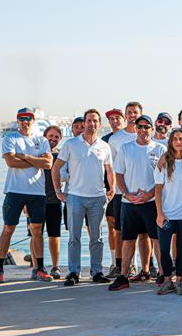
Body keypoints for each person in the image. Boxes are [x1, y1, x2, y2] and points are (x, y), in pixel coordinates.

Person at [52, 109, 114, 285]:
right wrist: (58, 191)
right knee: (74, 237)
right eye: (89, 120)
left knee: (97, 238)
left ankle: (97, 272)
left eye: (95, 121)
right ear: (84, 123)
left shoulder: (104, 146)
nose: (92, 124)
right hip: (75, 197)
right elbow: (56, 168)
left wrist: (112, 190)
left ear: (99, 124)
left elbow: (110, 170)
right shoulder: (71, 144)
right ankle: (73, 272)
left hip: (98, 198)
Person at [0, 107, 54, 284]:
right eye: (22, 118)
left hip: (36, 192)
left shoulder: (41, 140)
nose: (25, 121)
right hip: (15, 191)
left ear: (33, 121)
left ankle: (39, 268)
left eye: (28, 118)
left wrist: (25, 156)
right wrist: (36, 162)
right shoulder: (10, 138)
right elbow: (11, 162)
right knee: (8, 229)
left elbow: (48, 164)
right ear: (18, 120)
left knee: (37, 230)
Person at [109, 114, 166, 291]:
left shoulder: (160, 149)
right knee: (128, 240)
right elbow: (118, 174)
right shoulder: (126, 148)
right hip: (130, 202)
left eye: (146, 127)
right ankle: (123, 276)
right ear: (135, 128)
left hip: (152, 202)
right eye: (139, 126)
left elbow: (165, 177)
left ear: (152, 128)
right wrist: (126, 193)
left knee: (157, 240)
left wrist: (150, 194)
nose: (142, 130)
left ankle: (163, 275)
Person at [154, 128, 182, 296]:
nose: (178, 142)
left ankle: (179, 281)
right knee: (164, 249)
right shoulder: (164, 163)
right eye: (175, 139)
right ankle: (167, 280)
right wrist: (160, 213)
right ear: (170, 142)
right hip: (167, 213)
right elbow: (157, 191)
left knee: (181, 247)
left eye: (181, 139)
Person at [102, 108, 125, 278]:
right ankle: (114, 262)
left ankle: (134, 264)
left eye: (118, 118)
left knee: (135, 229)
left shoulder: (133, 136)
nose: (115, 121)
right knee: (113, 226)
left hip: (129, 188)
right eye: (111, 119)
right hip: (111, 188)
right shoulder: (104, 140)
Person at [42, 126, 64, 279]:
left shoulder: (62, 155)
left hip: (54, 200)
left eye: (56, 137)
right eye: (50, 136)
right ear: (44, 136)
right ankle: (38, 266)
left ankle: (55, 266)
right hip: (36, 199)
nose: (53, 139)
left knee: (54, 235)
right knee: (35, 234)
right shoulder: (37, 153)